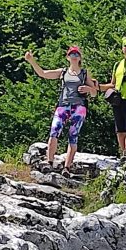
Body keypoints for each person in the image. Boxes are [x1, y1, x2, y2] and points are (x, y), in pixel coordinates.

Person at [25, 46, 97, 175]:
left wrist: (88, 89)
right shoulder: (63, 72)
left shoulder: (85, 73)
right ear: (67, 57)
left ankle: (67, 168)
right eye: (71, 54)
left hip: (79, 107)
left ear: (80, 58)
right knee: (54, 131)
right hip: (63, 105)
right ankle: (49, 162)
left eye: (76, 54)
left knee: (73, 136)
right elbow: (43, 73)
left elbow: (94, 93)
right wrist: (32, 61)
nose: (74, 56)